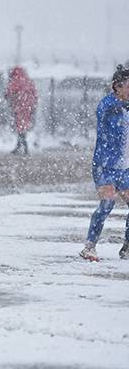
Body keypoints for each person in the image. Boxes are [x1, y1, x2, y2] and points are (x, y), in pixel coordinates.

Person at [80, 65, 129, 262]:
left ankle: (127, 246)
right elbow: (106, 111)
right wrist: (123, 105)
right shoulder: (107, 105)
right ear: (117, 86)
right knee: (107, 204)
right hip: (104, 166)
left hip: (125, 168)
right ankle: (89, 247)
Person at [5, 66, 37, 155]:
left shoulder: (15, 80)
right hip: (28, 108)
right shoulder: (28, 81)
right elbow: (35, 94)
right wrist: (32, 105)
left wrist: (9, 98)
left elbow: (9, 92)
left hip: (19, 107)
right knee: (23, 126)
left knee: (20, 127)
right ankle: (20, 146)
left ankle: (24, 147)